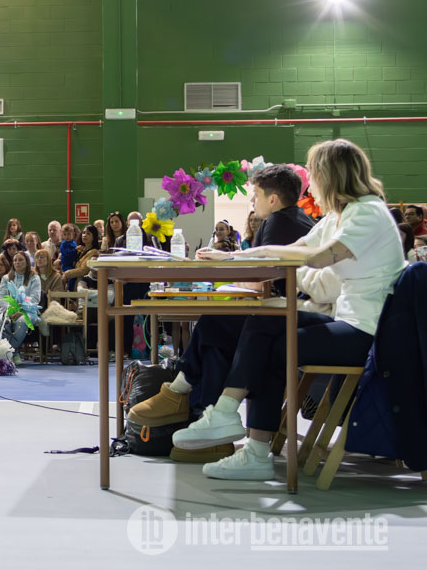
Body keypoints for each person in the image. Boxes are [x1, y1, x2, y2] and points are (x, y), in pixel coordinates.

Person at [172, 139, 406, 481]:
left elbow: (318, 256)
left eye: (312, 169)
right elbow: (288, 249)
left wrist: (262, 257)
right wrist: (231, 256)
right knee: (268, 318)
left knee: (273, 337)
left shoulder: (368, 211)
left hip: (369, 333)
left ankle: (239, 431)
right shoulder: (340, 214)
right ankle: (244, 437)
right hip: (346, 321)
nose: (309, 177)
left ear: (329, 173)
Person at [130, 164, 319, 437]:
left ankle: (185, 398)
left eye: (255, 194)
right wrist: (228, 263)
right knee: (218, 336)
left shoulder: (276, 223)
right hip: (295, 310)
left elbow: (257, 281)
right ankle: (197, 413)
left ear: (273, 199)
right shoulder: (300, 219)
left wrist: (229, 273)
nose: (253, 200)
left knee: (216, 322)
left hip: (294, 317)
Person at [0, 251, 41, 361]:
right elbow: (2, 296)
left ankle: (11, 352)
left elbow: (35, 298)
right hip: (8, 310)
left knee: (21, 321)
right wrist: (10, 310)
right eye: (15, 260)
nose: (17, 262)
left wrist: (21, 310)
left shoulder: (34, 278)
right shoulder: (6, 278)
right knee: (2, 321)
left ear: (27, 262)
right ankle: (12, 354)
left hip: (28, 311)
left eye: (20, 260)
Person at [62, 225, 100, 291]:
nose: (85, 235)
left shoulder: (94, 252)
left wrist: (67, 274)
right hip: (74, 283)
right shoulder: (81, 249)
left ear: (94, 237)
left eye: (88, 233)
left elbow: (84, 270)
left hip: (83, 286)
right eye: (83, 233)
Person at [57, 223, 80, 290]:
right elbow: (67, 253)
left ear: (73, 234)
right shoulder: (63, 244)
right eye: (65, 234)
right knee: (72, 277)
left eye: (69, 234)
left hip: (73, 264)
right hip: (66, 265)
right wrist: (75, 250)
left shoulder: (73, 243)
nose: (67, 236)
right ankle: (69, 291)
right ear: (62, 235)